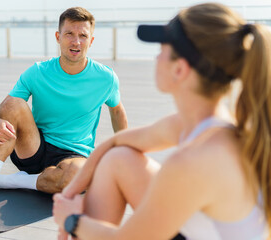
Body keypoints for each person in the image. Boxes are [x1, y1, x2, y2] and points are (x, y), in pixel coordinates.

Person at [53, 3, 270, 239]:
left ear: (179, 69)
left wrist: (72, 220)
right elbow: (114, 143)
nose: (156, 56)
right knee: (118, 158)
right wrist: (70, 194)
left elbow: (128, 238)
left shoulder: (191, 161)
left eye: (163, 49)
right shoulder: (205, 126)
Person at [0, 7, 128, 210]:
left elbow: (117, 111)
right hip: (34, 147)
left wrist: (126, 151)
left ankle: (11, 181)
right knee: (15, 103)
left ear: (91, 41)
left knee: (79, 178)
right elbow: (7, 106)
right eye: (69, 34)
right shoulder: (38, 72)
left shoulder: (106, 78)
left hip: (74, 154)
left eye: (83, 36)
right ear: (58, 37)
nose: (76, 42)